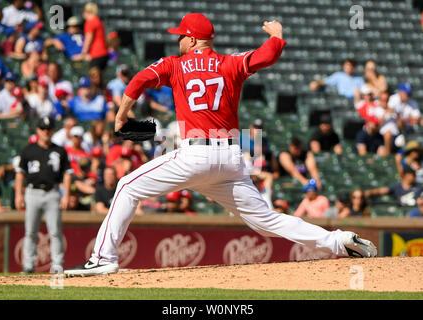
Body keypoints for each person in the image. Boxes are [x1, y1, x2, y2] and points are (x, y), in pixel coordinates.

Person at [65, 15, 376, 277]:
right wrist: (278, 36)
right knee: (266, 221)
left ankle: (104, 259)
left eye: (180, 37)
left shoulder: (175, 64)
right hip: (230, 157)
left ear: (191, 39)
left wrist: (122, 117)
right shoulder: (231, 63)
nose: (178, 42)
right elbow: (267, 55)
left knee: (127, 186)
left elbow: (137, 82)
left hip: (194, 154)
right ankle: (338, 241)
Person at [14, 117, 72, 274]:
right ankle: (28, 265)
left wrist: (66, 195)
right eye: (42, 128)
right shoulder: (28, 150)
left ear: (53, 130)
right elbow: (20, 174)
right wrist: (18, 194)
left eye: (48, 128)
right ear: (38, 130)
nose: (46, 131)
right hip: (32, 192)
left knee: (55, 232)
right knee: (30, 232)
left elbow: (67, 174)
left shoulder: (59, 151)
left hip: (52, 192)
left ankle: (58, 265)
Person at [81, 2, 109, 70]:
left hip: (96, 54)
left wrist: (83, 53)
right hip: (104, 53)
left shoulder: (90, 22)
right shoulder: (98, 21)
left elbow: (89, 39)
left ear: (86, 11)